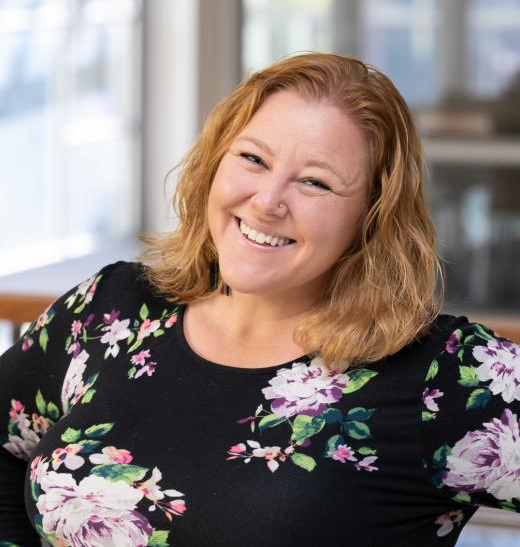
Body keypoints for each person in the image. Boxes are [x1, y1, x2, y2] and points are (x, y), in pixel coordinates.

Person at [0, 53, 519, 546]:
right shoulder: (109, 311)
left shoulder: (442, 376)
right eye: (252, 158)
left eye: (315, 183)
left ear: (372, 217)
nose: (268, 202)